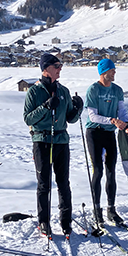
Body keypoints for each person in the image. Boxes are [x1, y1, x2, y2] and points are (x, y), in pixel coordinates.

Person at [23, 53, 83, 237]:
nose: (60, 69)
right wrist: (46, 106)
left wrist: (78, 108)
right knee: (44, 184)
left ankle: (66, 221)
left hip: (61, 141)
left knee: (64, 182)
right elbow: (28, 118)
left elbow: (70, 118)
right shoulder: (34, 91)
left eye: (60, 65)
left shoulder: (63, 91)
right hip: (42, 140)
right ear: (45, 69)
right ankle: (44, 221)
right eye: (56, 65)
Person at [84, 59, 128, 228]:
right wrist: (112, 120)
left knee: (111, 171)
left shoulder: (117, 90)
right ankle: (96, 210)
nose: (115, 73)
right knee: (98, 170)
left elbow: (122, 112)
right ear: (103, 72)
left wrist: (127, 126)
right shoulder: (93, 89)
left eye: (114, 70)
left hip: (109, 133)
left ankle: (111, 210)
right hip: (94, 132)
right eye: (112, 70)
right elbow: (93, 116)